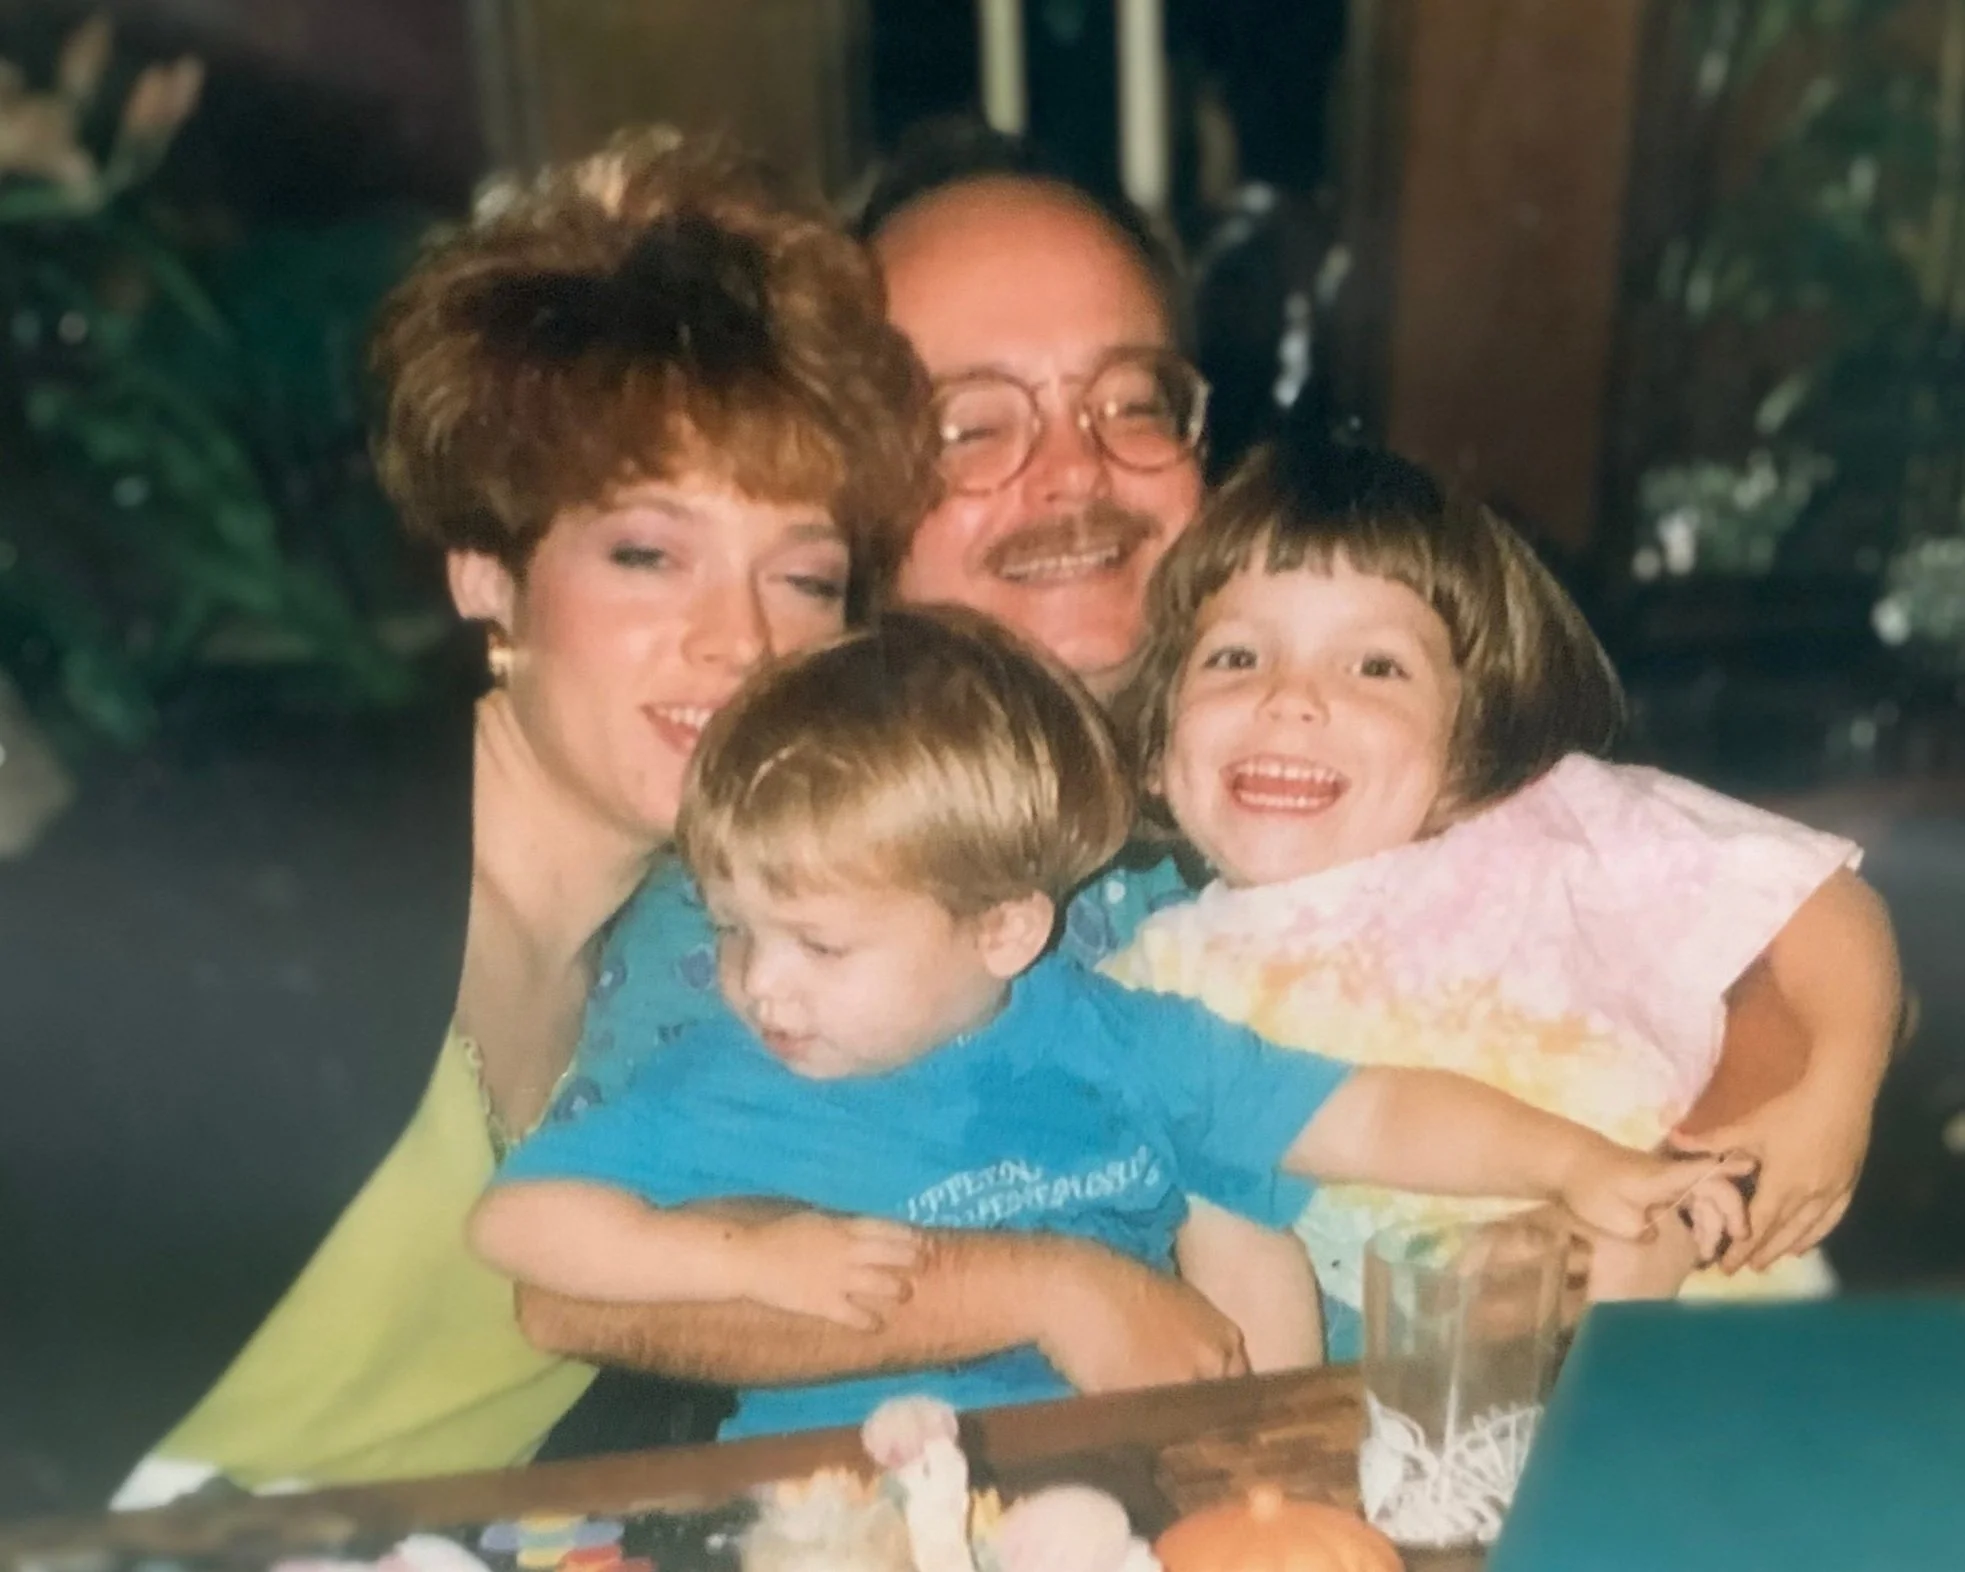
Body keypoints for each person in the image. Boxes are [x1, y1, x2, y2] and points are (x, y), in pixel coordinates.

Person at [513, 122, 1832, 1396]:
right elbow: (585, 1289)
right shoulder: (786, 869)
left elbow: (1744, 925)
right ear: (856, 504)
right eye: (971, 425)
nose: (1073, 472)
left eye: (1132, 403)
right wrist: (1041, 1288)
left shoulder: (1326, 751)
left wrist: (1722, 1145)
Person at [110, 127, 935, 1505]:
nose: (740, 640)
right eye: (649, 554)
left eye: (803, 579)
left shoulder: (737, 958)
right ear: (487, 572)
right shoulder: (255, 878)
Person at [469, 609, 1748, 1436]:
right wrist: (749, 1263)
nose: (762, 985)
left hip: (1122, 1491)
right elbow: (519, 1224)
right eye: (737, 930)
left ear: (1003, 931)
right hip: (850, 1510)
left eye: (821, 944)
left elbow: (1369, 1113)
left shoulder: (1120, 1036)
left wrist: (1580, 1163)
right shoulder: (733, 1077)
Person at [1103, 437, 1904, 1359]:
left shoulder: (1561, 823)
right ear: (1157, 741)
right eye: (1236, 657)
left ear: (1469, 735)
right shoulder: (1154, 979)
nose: (1291, 699)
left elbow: (1821, 905)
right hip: (1449, 1401)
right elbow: (1224, 1248)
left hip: (1733, 1336)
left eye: (1374, 667)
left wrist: (1836, 1090)